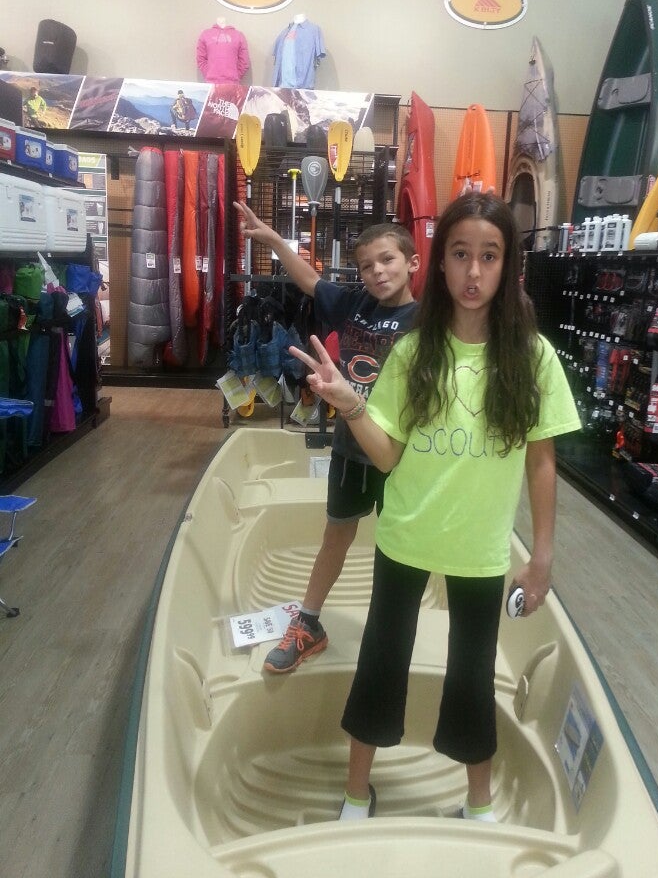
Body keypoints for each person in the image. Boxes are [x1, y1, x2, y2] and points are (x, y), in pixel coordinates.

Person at [288, 191, 581, 822]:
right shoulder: (414, 351)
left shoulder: (531, 358)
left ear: (507, 265)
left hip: (481, 549)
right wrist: (348, 402)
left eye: (489, 256)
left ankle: (479, 804)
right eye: (460, 254)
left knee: (473, 675)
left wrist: (543, 558)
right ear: (440, 262)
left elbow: (541, 462)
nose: (473, 272)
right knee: (381, 662)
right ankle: (356, 793)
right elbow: (387, 455)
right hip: (406, 537)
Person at [233, 200, 419, 673]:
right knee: (336, 536)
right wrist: (275, 241)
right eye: (367, 266)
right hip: (352, 449)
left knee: (400, 549)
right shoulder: (354, 303)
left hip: (404, 458)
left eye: (388, 260)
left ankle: (392, 636)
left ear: (413, 262)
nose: (377, 272)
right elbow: (310, 280)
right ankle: (309, 624)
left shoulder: (428, 322)